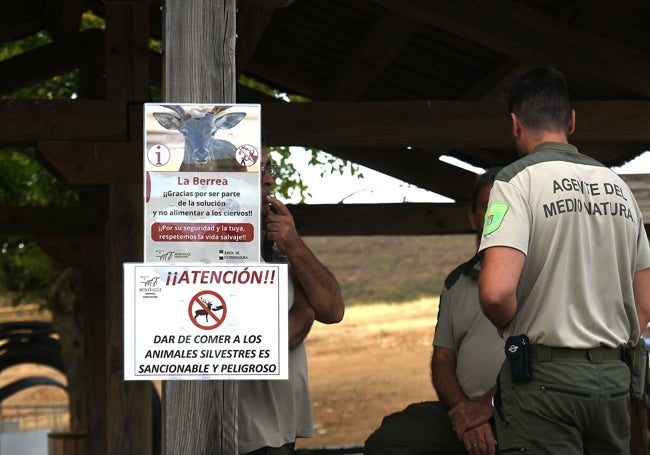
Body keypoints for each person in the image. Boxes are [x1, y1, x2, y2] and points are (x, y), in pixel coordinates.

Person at [478, 66, 650, 454]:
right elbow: (645, 303)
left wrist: (515, 328)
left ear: (515, 124)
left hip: (545, 384)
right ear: (571, 121)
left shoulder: (515, 181)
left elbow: (495, 292)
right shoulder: (619, 188)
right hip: (613, 381)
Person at [364, 168, 504, 455]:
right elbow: (442, 359)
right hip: (462, 411)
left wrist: (484, 408)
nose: (496, 216)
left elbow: (541, 360)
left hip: (521, 410)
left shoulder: (541, 276)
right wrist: (465, 413)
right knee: (387, 442)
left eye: (505, 208)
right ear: (473, 218)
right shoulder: (456, 282)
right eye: (488, 207)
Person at [237, 149, 345, 455]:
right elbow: (260, 345)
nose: (269, 180)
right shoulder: (213, 247)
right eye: (258, 171)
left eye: (270, 169)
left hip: (281, 425)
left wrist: (293, 243)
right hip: (240, 430)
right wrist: (302, 312)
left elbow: (332, 309)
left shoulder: (274, 242)